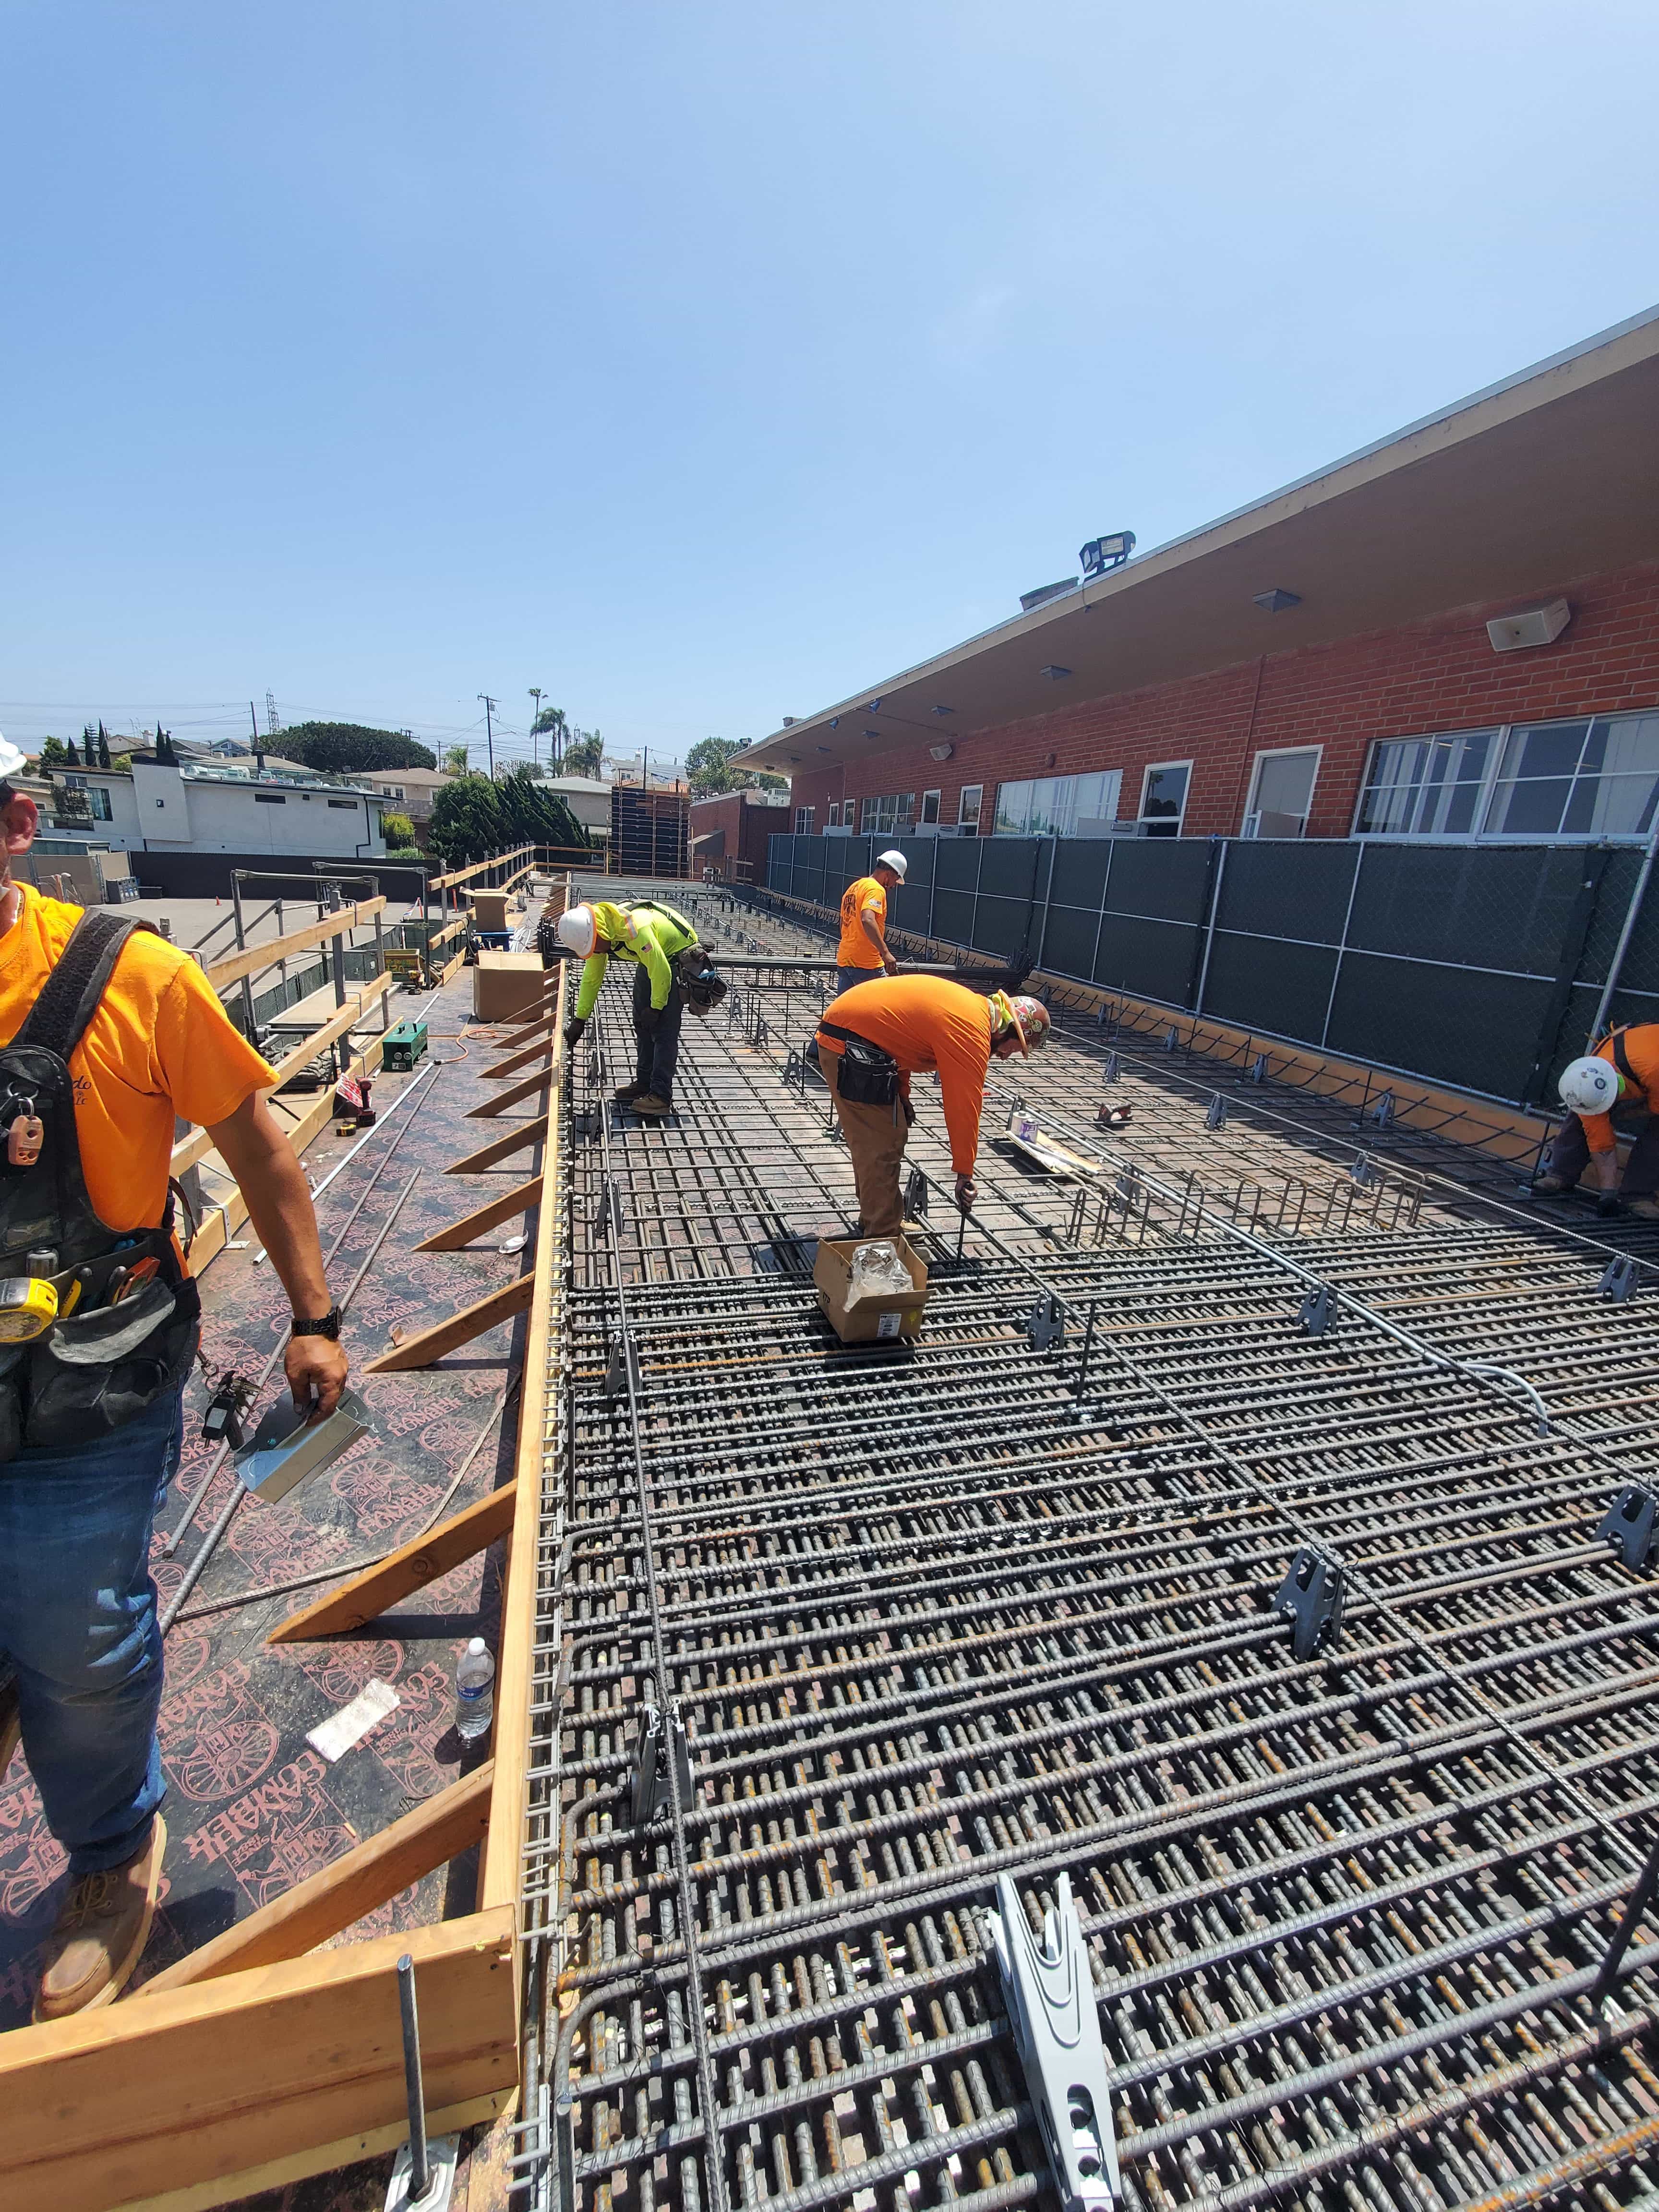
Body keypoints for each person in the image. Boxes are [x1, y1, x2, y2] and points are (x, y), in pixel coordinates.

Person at [0, 735, 347, 2020]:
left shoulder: (129, 980)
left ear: (18, 824)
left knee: (80, 1630)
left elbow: (260, 1151)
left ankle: (108, 1856)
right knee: (31, 1623)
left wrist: (315, 1315)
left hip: (88, 1380)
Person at [814, 975, 1051, 1236]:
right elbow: (964, 1104)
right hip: (848, 1045)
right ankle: (882, 1238)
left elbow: (896, 1040)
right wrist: (964, 1172)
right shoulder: (971, 1030)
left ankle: (881, 1219)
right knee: (880, 1145)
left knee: (888, 1135)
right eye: (1014, 1049)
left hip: (860, 1041)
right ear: (1008, 1030)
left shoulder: (972, 1011)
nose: (1006, 1056)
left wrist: (902, 1095)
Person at [558, 897, 702, 1117]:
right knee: (642, 1024)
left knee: (664, 1031)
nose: (595, 952)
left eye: (594, 946)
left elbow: (662, 971)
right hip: (653, 958)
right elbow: (591, 979)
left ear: (600, 934)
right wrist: (580, 1019)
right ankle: (644, 1084)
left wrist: (656, 1007)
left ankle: (661, 1097)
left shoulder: (636, 930)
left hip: (677, 959)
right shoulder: (602, 934)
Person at [1535, 1031, 1659, 1218]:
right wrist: (1608, 1196)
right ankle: (1560, 1174)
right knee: (1582, 1116)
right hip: (1635, 1062)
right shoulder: (1586, 1078)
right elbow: (1602, 1145)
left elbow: (1654, 1107)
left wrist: (1627, 1113)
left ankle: (1638, 1196)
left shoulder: (1654, 1070)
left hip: (1651, 1070)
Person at [836, 850, 907, 995]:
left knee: (846, 1011)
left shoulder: (855, 887)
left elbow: (843, 922)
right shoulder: (876, 889)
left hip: (846, 960)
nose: (893, 886)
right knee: (880, 1008)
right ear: (889, 874)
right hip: (866, 963)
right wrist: (886, 953)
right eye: (895, 881)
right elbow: (868, 919)